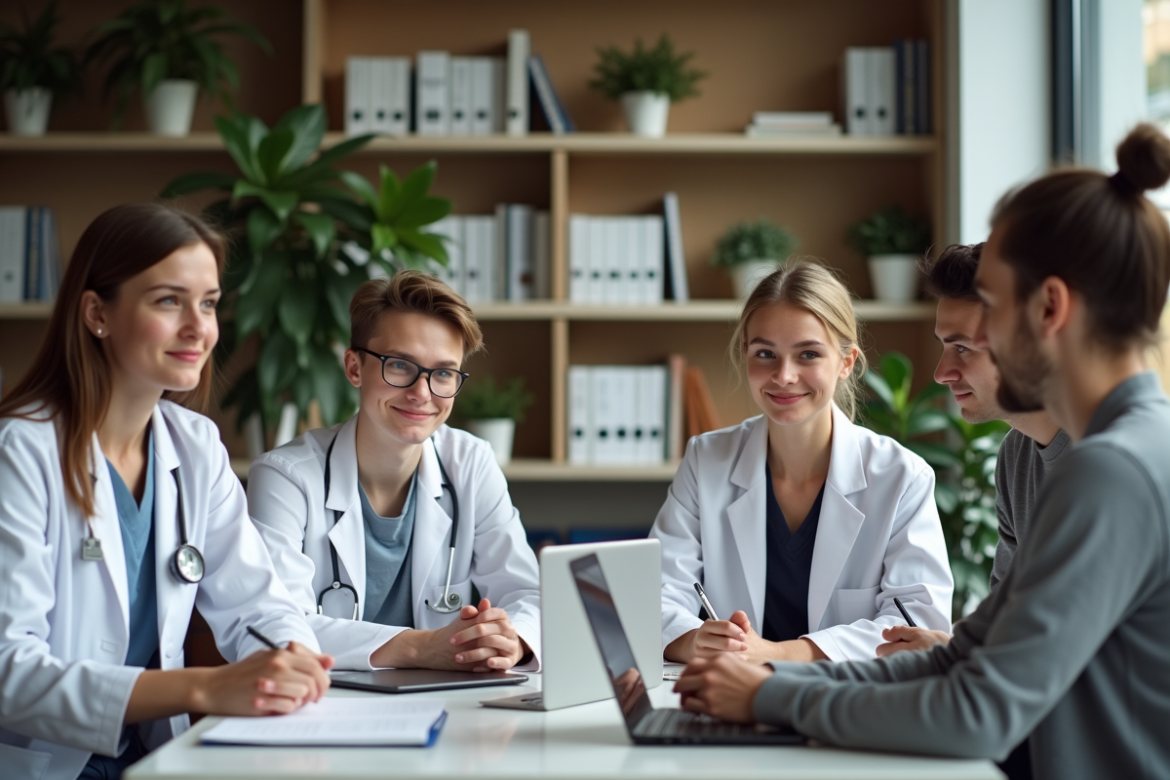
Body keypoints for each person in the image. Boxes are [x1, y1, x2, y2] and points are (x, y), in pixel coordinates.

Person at [673, 124, 1170, 780]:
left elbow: (978, 711)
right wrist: (764, 685)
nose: (958, 356)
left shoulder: (1113, 470)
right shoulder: (1093, 453)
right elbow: (962, 655)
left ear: (1049, 307)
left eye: (989, 306)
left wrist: (771, 693)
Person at [0, 204, 333, 780]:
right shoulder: (21, 452)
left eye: (207, 303)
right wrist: (204, 687)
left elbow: (257, 600)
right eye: (168, 301)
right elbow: (9, 669)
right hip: (44, 762)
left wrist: (293, 656)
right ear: (97, 312)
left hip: (151, 756)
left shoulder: (195, 446)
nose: (199, 329)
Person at [651, 259, 953, 665]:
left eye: (808, 354)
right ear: (746, 355)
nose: (784, 375)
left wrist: (776, 654)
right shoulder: (707, 461)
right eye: (765, 354)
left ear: (846, 362)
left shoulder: (902, 477)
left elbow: (916, 626)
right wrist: (694, 640)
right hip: (727, 694)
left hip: (846, 706)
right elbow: (657, 594)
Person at [247, 271, 541, 672]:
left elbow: (527, 593)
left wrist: (512, 639)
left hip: (448, 700)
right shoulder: (285, 477)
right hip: (326, 706)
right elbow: (273, 627)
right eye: (400, 365)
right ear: (354, 367)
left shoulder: (471, 463)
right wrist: (421, 647)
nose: (422, 393)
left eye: (442, 373)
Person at [877, 243, 1070, 657]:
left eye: (962, 347)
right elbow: (1008, 627)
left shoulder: (1115, 461)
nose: (941, 373)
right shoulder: (1016, 456)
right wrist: (946, 650)